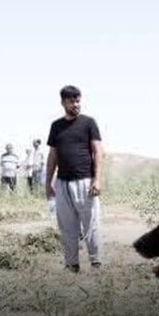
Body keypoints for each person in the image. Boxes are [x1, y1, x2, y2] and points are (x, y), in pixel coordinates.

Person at [45, 85, 104, 271]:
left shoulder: (89, 123)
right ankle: (71, 264)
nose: (76, 104)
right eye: (71, 101)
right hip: (62, 183)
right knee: (67, 226)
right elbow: (52, 156)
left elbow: (98, 152)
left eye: (78, 100)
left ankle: (96, 262)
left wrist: (97, 179)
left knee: (91, 223)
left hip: (85, 182)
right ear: (63, 102)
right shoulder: (56, 126)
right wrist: (48, 182)